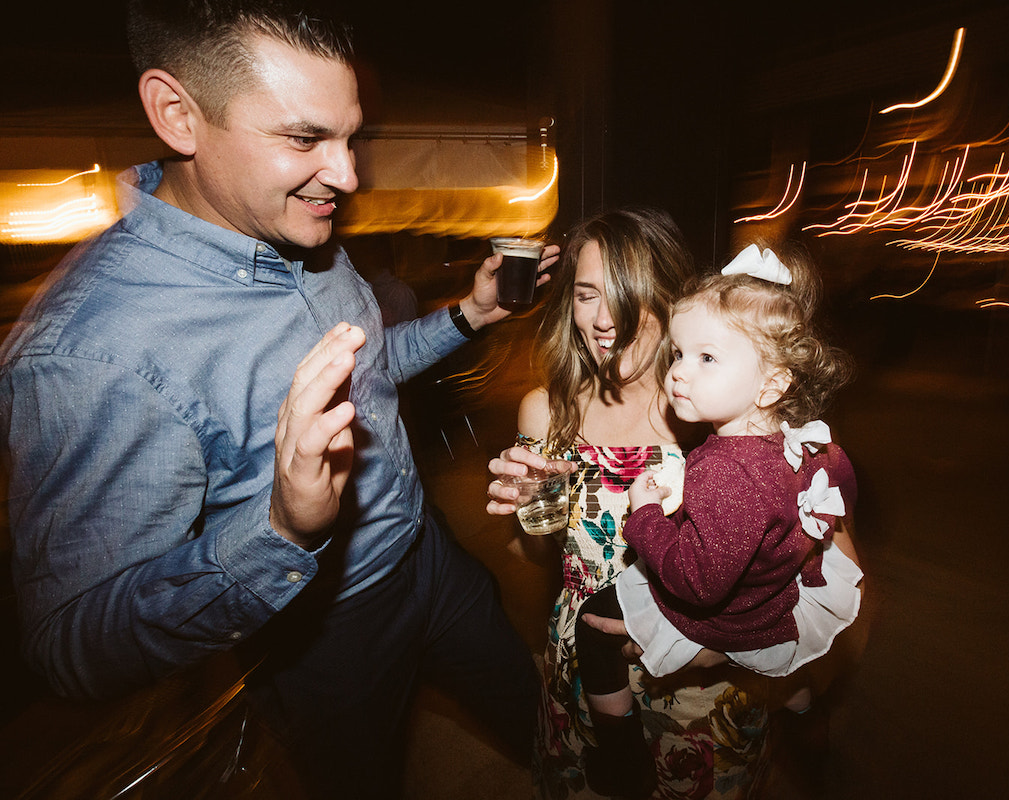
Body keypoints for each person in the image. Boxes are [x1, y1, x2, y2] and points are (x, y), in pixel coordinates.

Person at [0, 2, 556, 797]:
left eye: (349, 137)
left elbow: (367, 372)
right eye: (304, 139)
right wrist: (280, 530)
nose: (349, 176)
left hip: (428, 559)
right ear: (175, 114)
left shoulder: (303, 229)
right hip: (324, 638)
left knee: (544, 724)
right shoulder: (88, 351)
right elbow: (71, 646)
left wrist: (470, 317)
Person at [487, 209, 776, 800]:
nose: (601, 319)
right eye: (586, 293)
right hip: (580, 677)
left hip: (701, 688)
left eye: (624, 296)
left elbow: (819, 575)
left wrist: (714, 645)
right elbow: (538, 558)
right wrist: (522, 509)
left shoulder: (723, 416)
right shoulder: (546, 410)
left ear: (670, 303)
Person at [572, 242, 863, 796]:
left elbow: (698, 583)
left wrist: (645, 515)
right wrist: (791, 547)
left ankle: (621, 755)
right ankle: (804, 708)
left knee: (594, 624)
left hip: (724, 615)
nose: (678, 373)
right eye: (679, 354)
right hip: (772, 598)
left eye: (707, 358)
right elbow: (835, 494)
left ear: (773, 383)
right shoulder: (800, 444)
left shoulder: (726, 472)